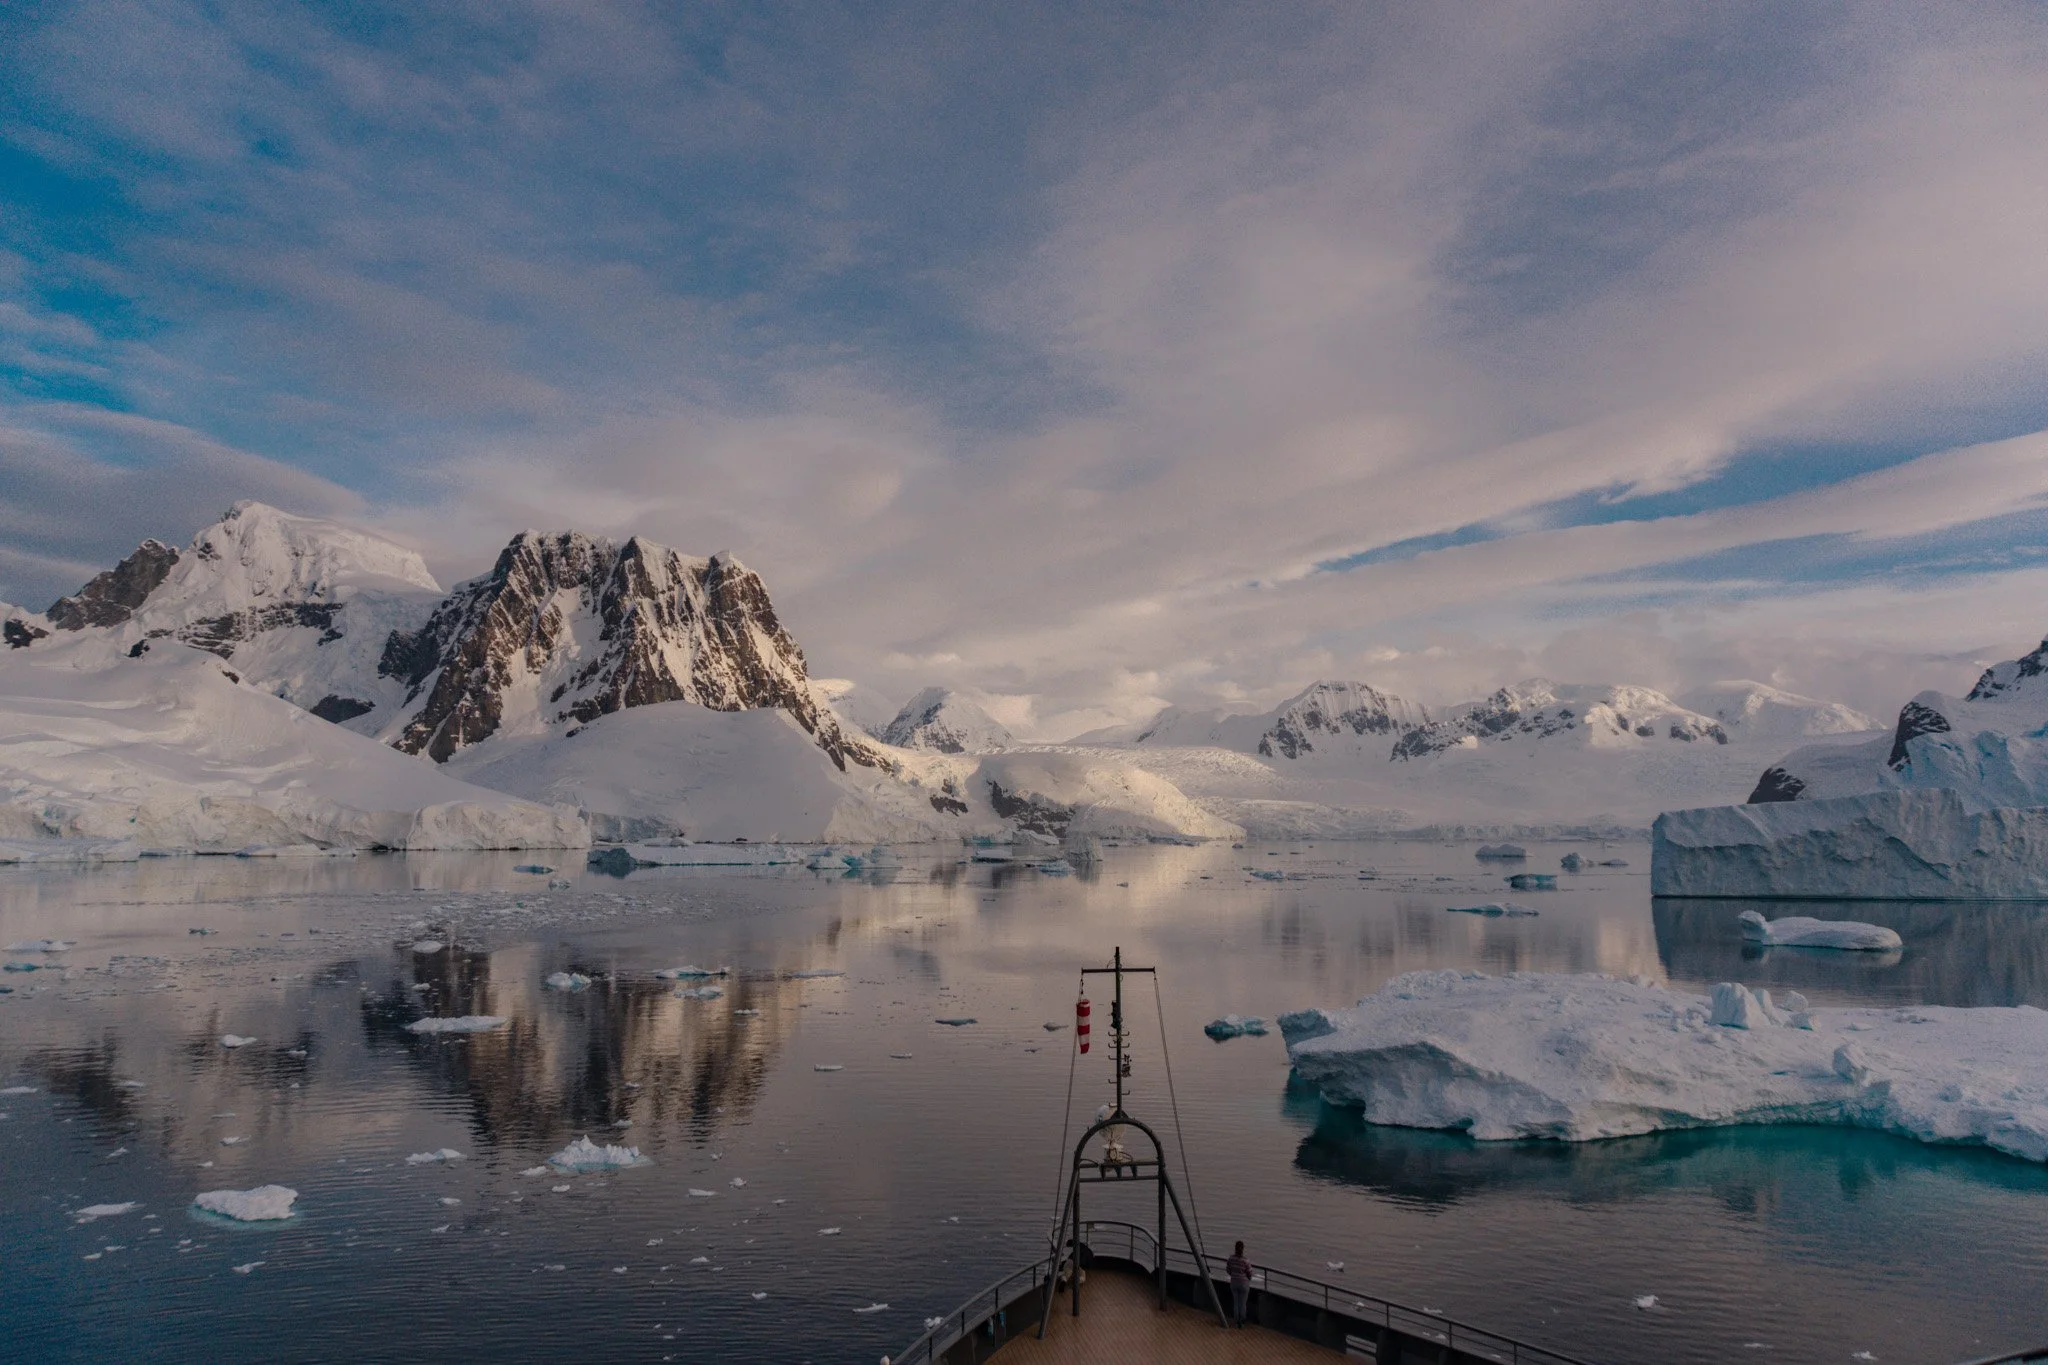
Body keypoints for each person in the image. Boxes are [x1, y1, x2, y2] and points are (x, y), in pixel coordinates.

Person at [1225, 1240, 1253, 1328]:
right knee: (1243, 1303)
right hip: (1244, 1284)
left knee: (1236, 1302)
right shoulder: (1246, 1261)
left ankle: (1236, 1321)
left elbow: (1228, 1270)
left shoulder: (1231, 1259)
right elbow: (1249, 1273)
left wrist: (1234, 1275)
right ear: (1243, 1249)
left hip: (1234, 1282)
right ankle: (1242, 1321)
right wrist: (1247, 1278)